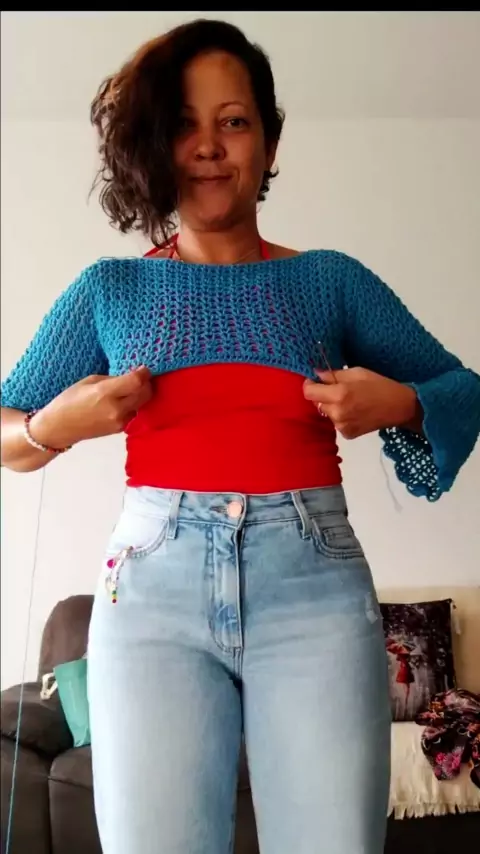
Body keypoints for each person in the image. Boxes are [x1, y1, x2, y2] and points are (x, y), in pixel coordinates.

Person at [1, 18, 479, 854]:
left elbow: (461, 390)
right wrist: (53, 425)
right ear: (156, 145)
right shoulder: (112, 290)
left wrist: (399, 402)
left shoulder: (327, 280)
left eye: (233, 121)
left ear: (270, 140)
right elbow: (6, 428)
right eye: (183, 124)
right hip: (150, 597)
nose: (208, 146)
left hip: (315, 592)